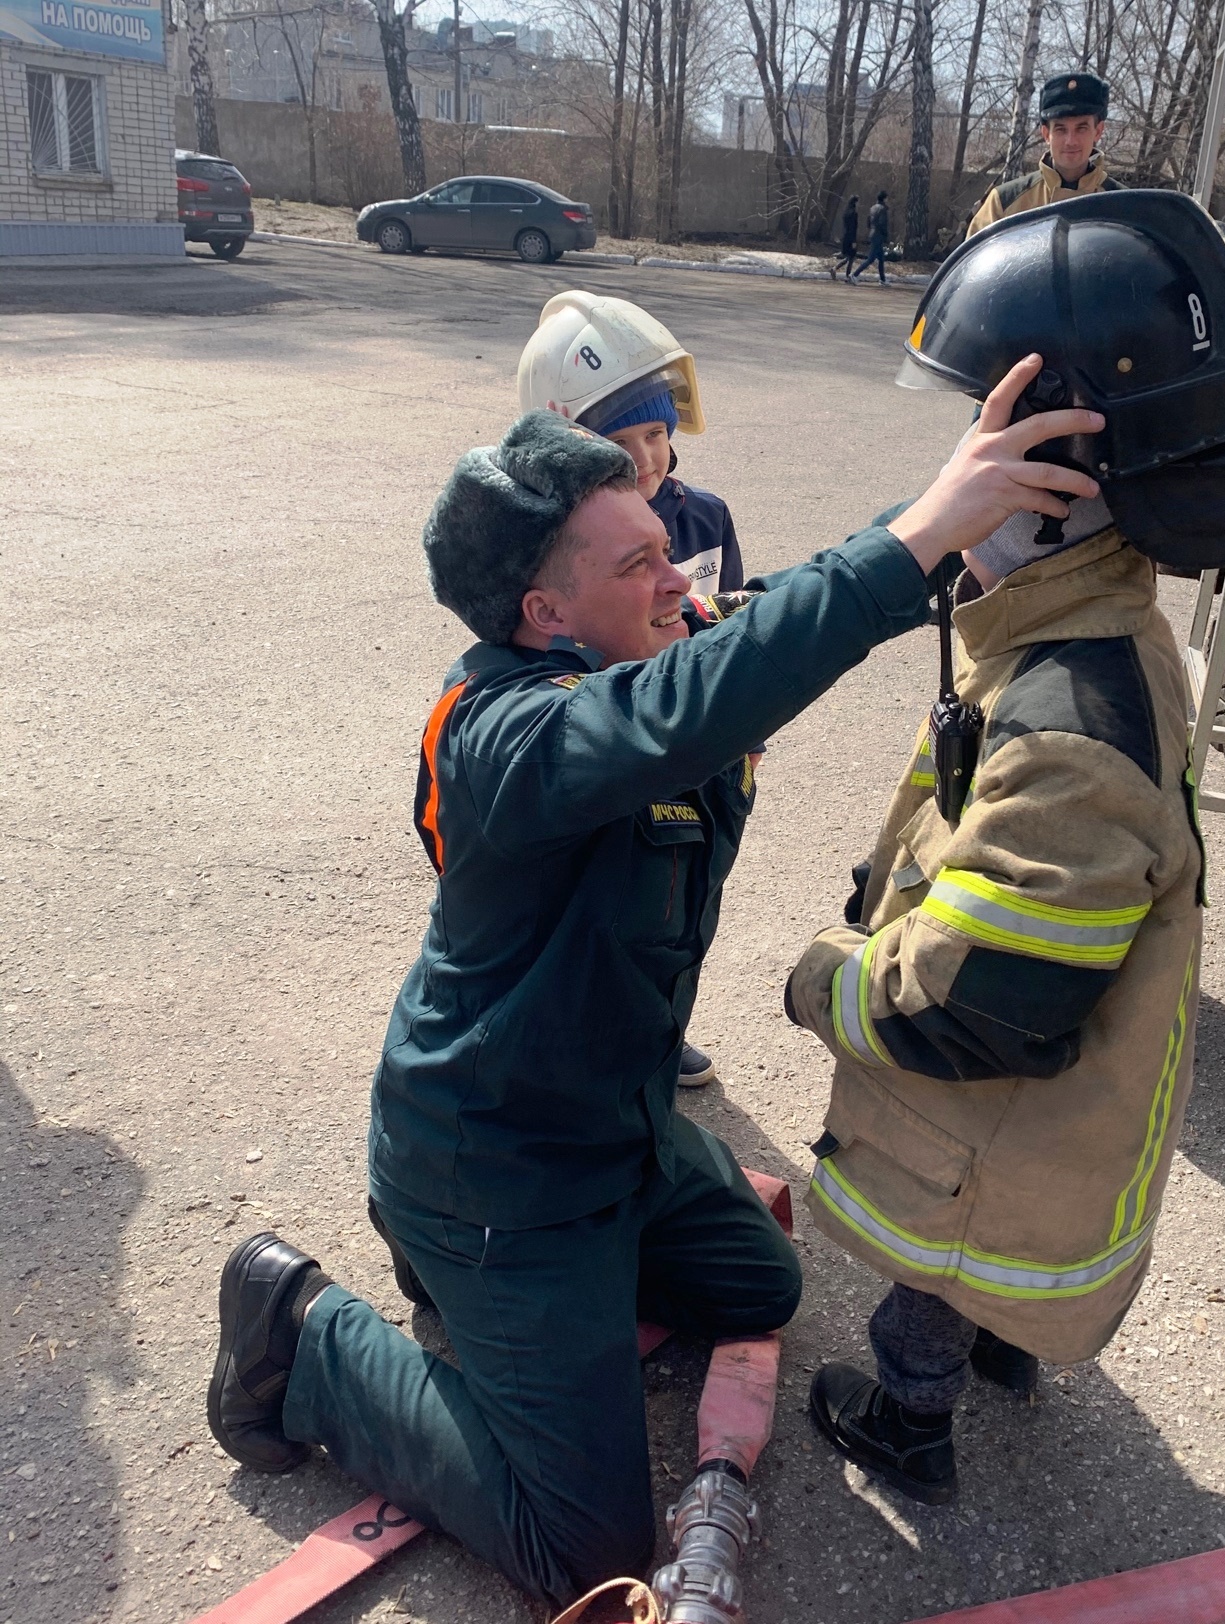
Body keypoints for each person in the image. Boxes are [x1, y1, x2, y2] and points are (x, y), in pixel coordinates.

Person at [206, 380, 1106, 1609]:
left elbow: (764, 627)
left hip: (616, 1134)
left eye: (669, 542)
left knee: (762, 1287)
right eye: (639, 562)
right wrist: (911, 543)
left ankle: (496, 1297)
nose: (680, 577)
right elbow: (684, 709)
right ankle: (301, 1332)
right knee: (586, 1549)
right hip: (499, 1170)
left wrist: (960, 505)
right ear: (546, 612)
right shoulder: (504, 738)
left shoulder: (655, 657)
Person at [788, 190, 1225, 1504]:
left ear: (1047, 491)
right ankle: (1001, 1346)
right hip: (1032, 1123)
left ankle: (913, 1416)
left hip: (998, 1131)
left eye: (974, 454)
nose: (945, 488)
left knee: (946, 1258)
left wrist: (824, 981)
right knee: (992, 1226)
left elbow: (988, 1002)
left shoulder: (1067, 720)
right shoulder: (1085, 631)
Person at [518, 290, 745, 1087]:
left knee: (685, 904)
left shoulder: (705, 517)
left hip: (697, 753)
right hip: (609, 761)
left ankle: (663, 1026)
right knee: (602, 907)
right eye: (620, 441)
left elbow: (734, 630)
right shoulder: (550, 547)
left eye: (656, 433)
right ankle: (579, 1044)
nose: (646, 459)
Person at [967, 72, 1122, 238]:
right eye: (1061, 129)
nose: (1071, 141)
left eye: (1081, 129)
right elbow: (972, 261)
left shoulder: (1124, 205)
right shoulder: (1003, 203)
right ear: (1046, 134)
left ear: (1098, 131)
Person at [849, 190, 890, 284]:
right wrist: (886, 235)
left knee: (881, 258)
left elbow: (868, 221)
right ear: (884, 198)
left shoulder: (873, 208)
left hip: (872, 233)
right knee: (871, 258)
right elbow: (882, 223)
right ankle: (854, 275)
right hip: (878, 235)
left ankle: (883, 279)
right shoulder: (883, 209)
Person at [831, 195, 860, 280]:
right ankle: (848, 276)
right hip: (851, 238)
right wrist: (854, 241)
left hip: (845, 236)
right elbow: (853, 228)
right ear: (855, 202)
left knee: (848, 257)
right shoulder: (854, 213)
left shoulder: (846, 212)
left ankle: (834, 268)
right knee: (851, 257)